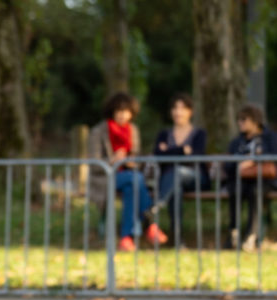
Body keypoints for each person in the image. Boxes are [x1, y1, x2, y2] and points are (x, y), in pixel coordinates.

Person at [88, 92, 168, 252]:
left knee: (132, 187)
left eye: (126, 111)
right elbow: (94, 164)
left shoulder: (133, 130)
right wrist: (112, 160)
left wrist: (132, 162)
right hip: (105, 178)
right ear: (112, 111)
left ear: (132, 113)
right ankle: (150, 222)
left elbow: (136, 158)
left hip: (129, 177)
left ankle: (126, 238)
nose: (122, 115)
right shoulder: (98, 131)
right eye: (119, 111)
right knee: (136, 179)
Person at [152, 93, 210, 239]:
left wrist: (169, 152)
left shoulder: (199, 134)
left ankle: (158, 204)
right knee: (176, 188)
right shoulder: (164, 134)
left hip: (197, 178)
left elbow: (195, 158)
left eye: (183, 108)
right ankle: (178, 240)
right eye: (175, 108)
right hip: (172, 181)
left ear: (190, 111)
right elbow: (158, 157)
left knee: (177, 172)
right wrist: (182, 151)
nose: (178, 112)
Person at [224, 103, 277, 252]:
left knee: (256, 191)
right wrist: (240, 164)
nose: (240, 123)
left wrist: (253, 161)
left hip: (265, 180)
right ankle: (233, 232)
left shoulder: (270, 138)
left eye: (244, 119)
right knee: (235, 190)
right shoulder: (237, 142)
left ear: (255, 121)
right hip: (242, 180)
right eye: (239, 120)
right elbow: (228, 165)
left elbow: (272, 157)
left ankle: (251, 235)